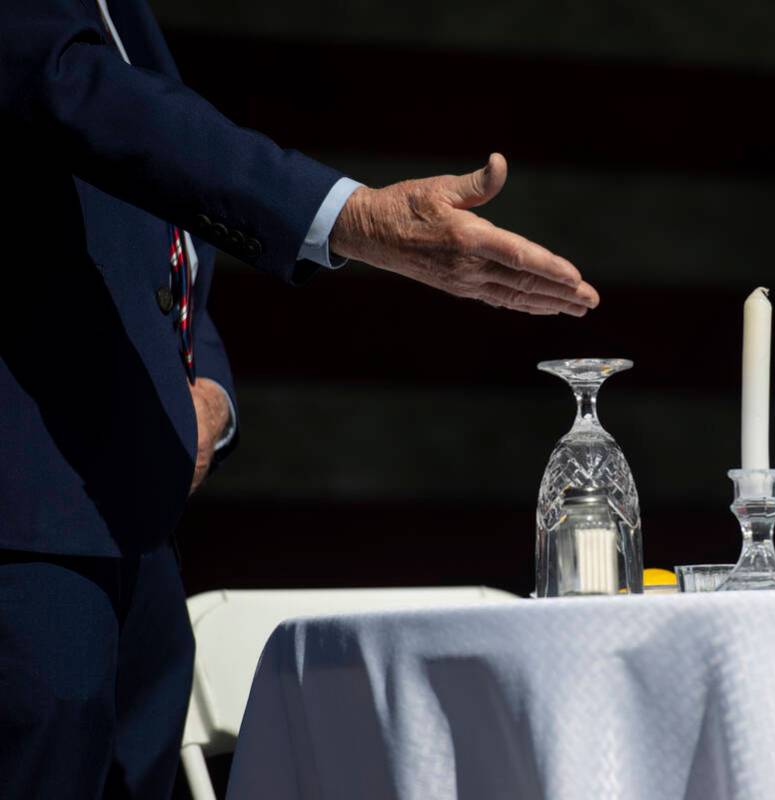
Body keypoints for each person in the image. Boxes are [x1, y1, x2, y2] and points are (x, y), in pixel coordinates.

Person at [0, 1, 599, 797]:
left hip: (131, 518)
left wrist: (207, 382)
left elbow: (149, 224)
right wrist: (347, 216)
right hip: (26, 517)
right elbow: (84, 96)